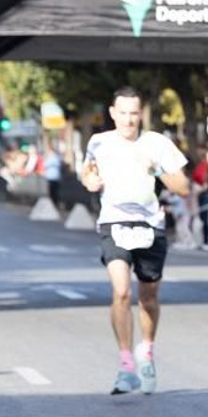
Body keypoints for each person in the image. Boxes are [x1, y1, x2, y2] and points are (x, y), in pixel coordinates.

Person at [80, 87, 191, 396]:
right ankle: (126, 364)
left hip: (150, 225)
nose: (128, 120)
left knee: (148, 298)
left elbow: (183, 187)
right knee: (121, 291)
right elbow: (87, 171)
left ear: (141, 114)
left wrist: (157, 168)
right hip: (114, 222)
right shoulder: (99, 142)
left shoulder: (157, 143)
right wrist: (90, 180)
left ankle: (147, 351)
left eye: (134, 113)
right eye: (123, 113)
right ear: (112, 113)